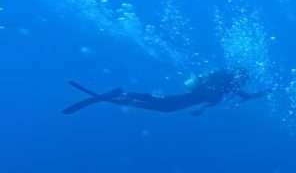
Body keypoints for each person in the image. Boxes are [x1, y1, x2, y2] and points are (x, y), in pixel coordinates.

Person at [62, 68, 266, 116]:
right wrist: (204, 104)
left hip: (190, 100)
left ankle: (121, 96)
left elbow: (245, 96)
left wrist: (265, 93)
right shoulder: (224, 81)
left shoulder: (230, 86)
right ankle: (122, 95)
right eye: (243, 79)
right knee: (163, 104)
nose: (242, 82)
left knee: (163, 105)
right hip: (189, 97)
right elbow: (208, 92)